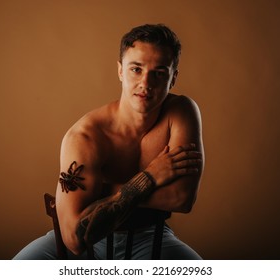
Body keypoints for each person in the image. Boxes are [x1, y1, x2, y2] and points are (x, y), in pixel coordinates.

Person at [13, 23, 204, 260]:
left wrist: (102, 193)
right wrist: (148, 178)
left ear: (173, 77)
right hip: (88, 243)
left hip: (150, 237)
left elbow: (182, 198)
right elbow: (73, 239)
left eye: (159, 72)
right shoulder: (87, 136)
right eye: (136, 69)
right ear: (120, 71)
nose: (146, 82)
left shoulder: (181, 112)